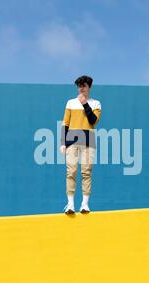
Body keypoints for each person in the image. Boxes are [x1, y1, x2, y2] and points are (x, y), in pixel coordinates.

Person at [60, 75, 102, 214]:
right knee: (71, 171)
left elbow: (93, 121)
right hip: (72, 142)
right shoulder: (70, 103)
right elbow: (65, 123)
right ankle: (70, 204)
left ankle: (84, 204)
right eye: (79, 86)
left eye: (83, 85)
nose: (81, 88)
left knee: (86, 172)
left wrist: (85, 104)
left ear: (89, 87)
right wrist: (63, 143)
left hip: (88, 142)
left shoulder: (96, 103)